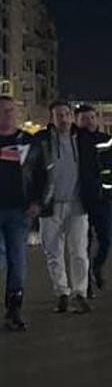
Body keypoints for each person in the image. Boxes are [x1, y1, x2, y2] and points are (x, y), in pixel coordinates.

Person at [31, 101, 97, 314]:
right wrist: (34, 200)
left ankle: (80, 292)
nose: (64, 118)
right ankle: (61, 292)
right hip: (50, 205)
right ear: (52, 118)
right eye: (59, 115)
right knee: (53, 252)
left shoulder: (82, 140)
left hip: (77, 205)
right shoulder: (41, 141)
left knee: (79, 251)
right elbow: (30, 171)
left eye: (67, 114)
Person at [74, 104, 112, 293]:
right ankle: (86, 281)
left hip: (104, 200)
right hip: (80, 200)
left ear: (96, 119)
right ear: (77, 120)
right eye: (83, 118)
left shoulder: (109, 141)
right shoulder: (72, 142)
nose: (88, 121)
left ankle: (97, 266)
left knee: (106, 239)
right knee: (83, 243)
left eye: (91, 117)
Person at [0, 93, 42, 331]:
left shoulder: (27, 141)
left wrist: (37, 201)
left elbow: (40, 174)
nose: (6, 115)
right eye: (2, 111)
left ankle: (14, 308)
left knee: (18, 261)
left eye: (9, 111)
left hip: (19, 211)